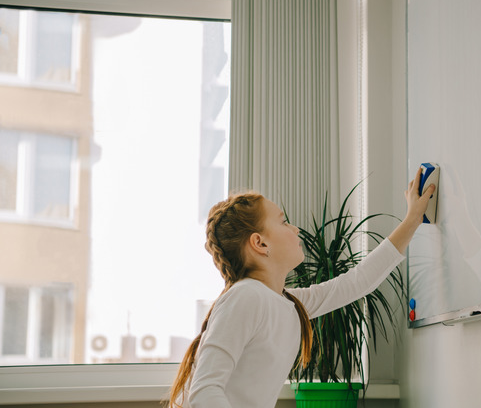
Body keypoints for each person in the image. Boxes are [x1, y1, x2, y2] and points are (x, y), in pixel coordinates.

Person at [168, 168, 436, 408]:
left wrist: (412, 219)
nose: (295, 229)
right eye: (284, 222)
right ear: (260, 243)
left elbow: (357, 282)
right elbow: (204, 393)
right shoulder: (246, 296)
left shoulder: (285, 303)